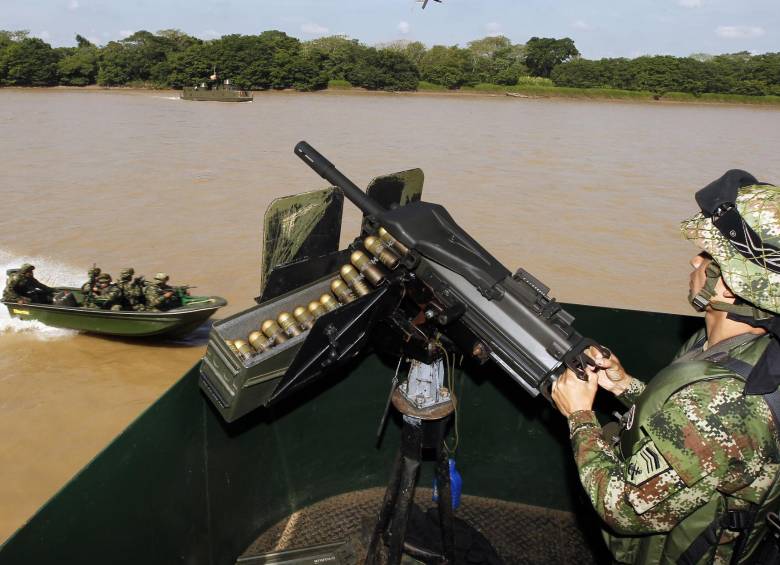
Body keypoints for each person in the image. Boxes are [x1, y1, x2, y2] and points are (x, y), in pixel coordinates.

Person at [552, 170, 780, 565]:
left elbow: (621, 509)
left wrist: (579, 415)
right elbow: (687, 431)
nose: (695, 259)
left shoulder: (728, 402)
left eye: (708, 255)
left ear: (727, 286)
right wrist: (624, 386)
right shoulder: (732, 346)